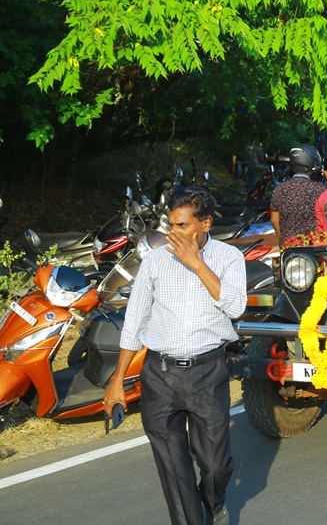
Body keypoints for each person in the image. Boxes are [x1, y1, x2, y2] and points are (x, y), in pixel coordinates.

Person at [103, 188, 245, 525]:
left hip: (207, 373)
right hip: (160, 375)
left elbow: (236, 307)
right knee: (173, 468)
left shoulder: (228, 258)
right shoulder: (154, 260)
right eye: (170, 225)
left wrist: (196, 263)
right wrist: (118, 380)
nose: (172, 233)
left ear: (205, 224)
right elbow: (134, 321)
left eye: (181, 226)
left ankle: (213, 502)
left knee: (215, 466)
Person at [270, 144, 327, 245]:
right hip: (312, 247)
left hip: (288, 249)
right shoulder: (320, 190)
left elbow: (274, 220)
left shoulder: (279, 190)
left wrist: (284, 240)